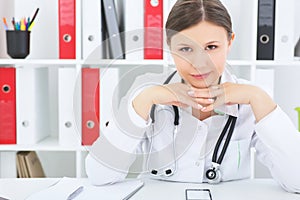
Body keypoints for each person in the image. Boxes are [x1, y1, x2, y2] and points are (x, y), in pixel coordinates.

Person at [85, 0, 300, 193]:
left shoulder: (251, 103)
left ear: (230, 42)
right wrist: (144, 100)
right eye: (186, 49)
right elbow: (99, 175)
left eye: (212, 47)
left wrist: (258, 97)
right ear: (169, 46)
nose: (200, 62)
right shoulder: (147, 97)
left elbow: (297, 181)